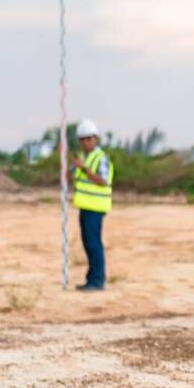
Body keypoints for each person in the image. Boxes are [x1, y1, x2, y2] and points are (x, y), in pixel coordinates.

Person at [69, 119, 114, 292]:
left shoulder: (100, 158)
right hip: (85, 206)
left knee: (94, 243)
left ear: (95, 139)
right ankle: (91, 278)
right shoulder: (83, 158)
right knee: (88, 243)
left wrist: (84, 168)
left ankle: (97, 281)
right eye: (83, 139)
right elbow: (71, 177)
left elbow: (102, 181)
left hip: (96, 207)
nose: (86, 142)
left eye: (89, 139)